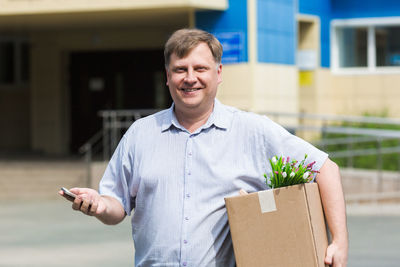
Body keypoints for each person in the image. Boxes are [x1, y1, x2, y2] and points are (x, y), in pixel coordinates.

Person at [60, 28, 348, 267]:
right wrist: (98, 205)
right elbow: (117, 206)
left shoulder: (252, 130)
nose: (190, 78)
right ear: (167, 75)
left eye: (200, 68)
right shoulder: (140, 134)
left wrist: (338, 242)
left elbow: (325, 168)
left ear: (218, 73)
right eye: (180, 69)